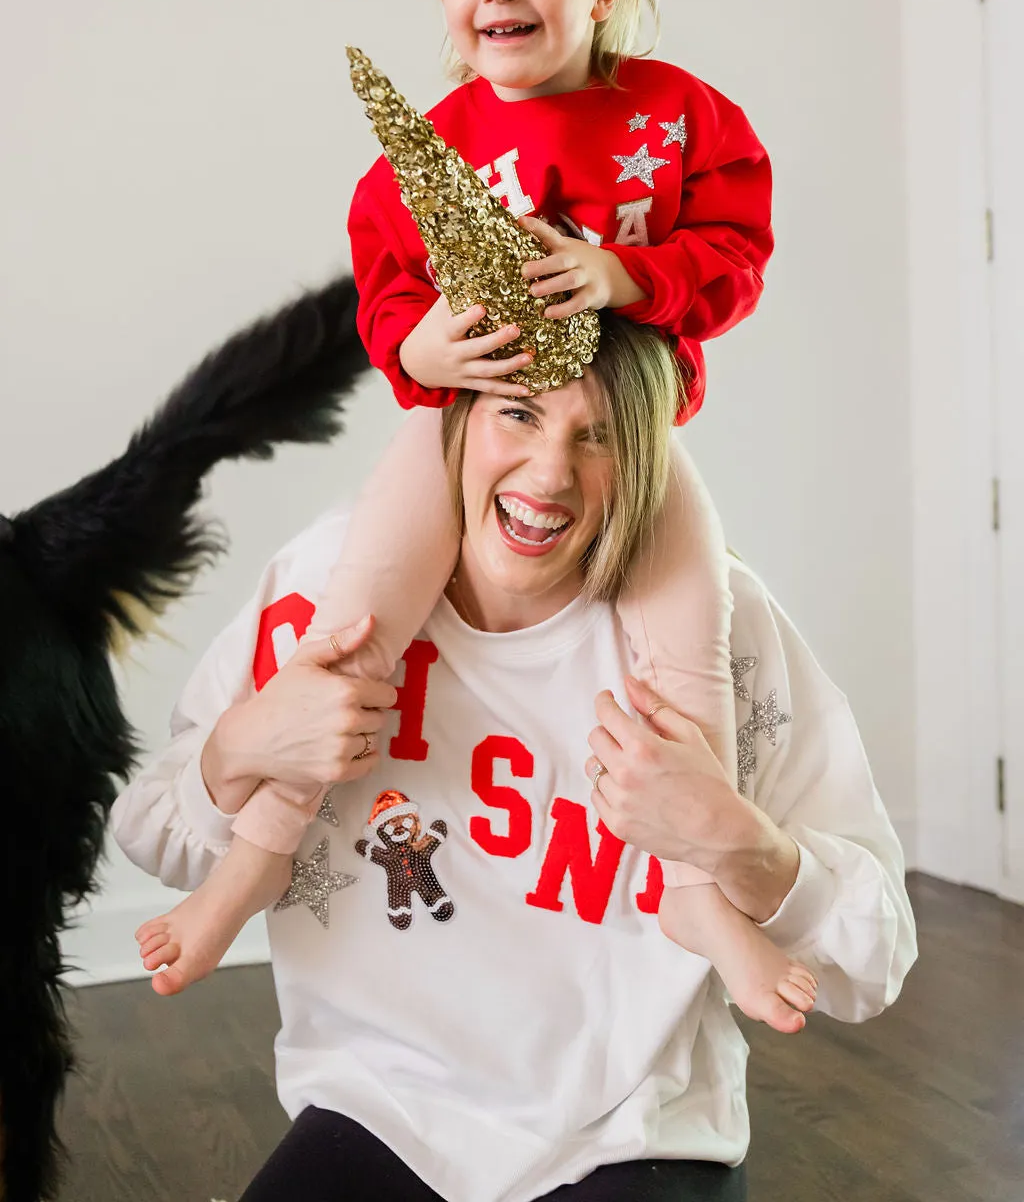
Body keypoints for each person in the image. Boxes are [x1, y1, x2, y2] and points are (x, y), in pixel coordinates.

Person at [133, 0, 788, 1024]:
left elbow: (739, 252)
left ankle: (698, 888)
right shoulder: (428, 150)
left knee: (689, 646)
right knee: (348, 634)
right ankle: (253, 858)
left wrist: (625, 276)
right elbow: (385, 281)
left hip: (627, 438)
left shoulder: (678, 118)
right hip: (466, 434)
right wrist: (415, 345)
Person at [113, 314, 916, 1202]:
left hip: (631, 1136)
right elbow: (153, 838)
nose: (550, 475)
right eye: (518, 413)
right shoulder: (325, 600)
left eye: (598, 435)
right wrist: (242, 746)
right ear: (454, 418)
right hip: (381, 1111)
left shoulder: (717, 639)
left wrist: (738, 844)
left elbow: (872, 967)